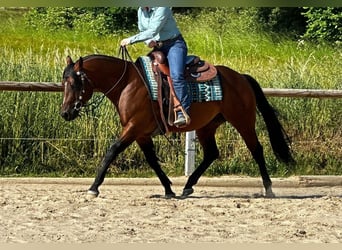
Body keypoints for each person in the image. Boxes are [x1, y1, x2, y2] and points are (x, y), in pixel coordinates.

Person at [120, 7, 190, 127]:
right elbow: (143, 30)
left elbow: (152, 31)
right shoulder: (141, 10)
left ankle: (183, 112)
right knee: (144, 73)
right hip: (158, 47)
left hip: (174, 45)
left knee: (176, 76)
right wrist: (148, 42)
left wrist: (130, 40)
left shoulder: (162, 7)